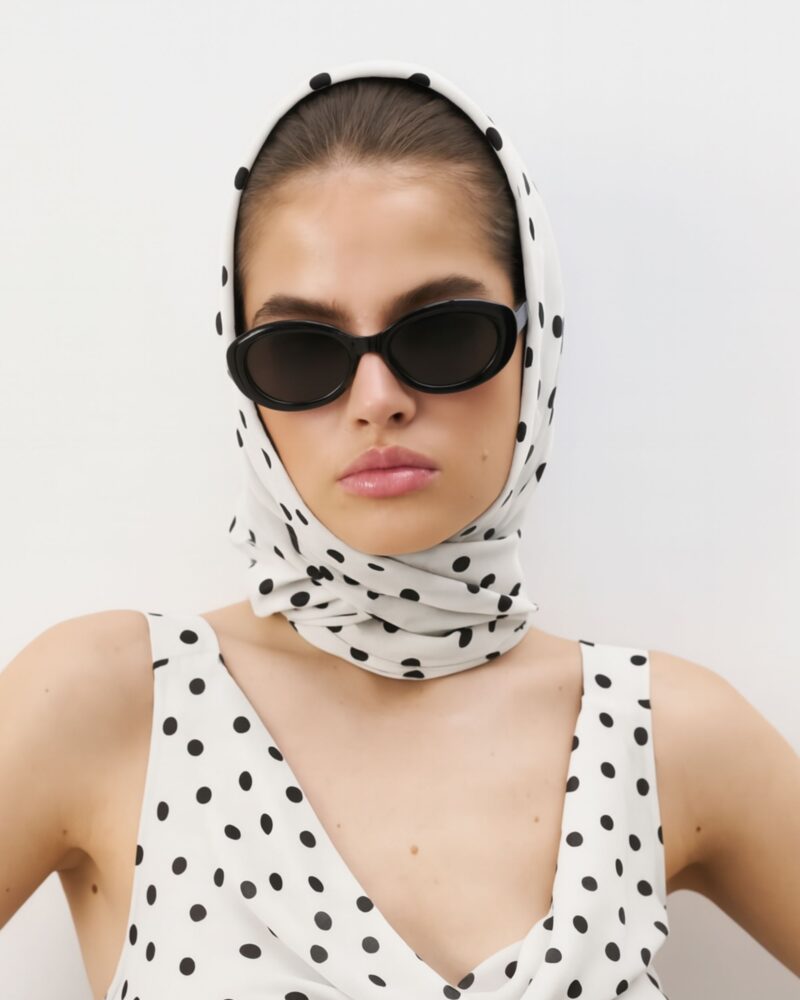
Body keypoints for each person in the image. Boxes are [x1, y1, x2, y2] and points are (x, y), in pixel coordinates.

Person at [1, 59, 798, 1000]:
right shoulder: (103, 702)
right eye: (302, 351)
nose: (376, 399)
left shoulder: (662, 734)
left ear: (533, 343)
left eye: (442, 333)